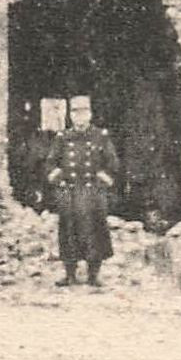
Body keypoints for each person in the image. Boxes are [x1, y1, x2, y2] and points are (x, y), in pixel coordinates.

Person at [46, 95, 119, 287]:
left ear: (90, 114)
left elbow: (113, 163)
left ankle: (93, 275)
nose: (80, 117)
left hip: (92, 192)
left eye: (84, 112)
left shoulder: (100, 136)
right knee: (68, 232)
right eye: (75, 113)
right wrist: (59, 181)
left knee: (94, 232)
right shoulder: (63, 137)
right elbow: (50, 163)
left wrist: (101, 182)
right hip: (69, 192)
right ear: (70, 116)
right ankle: (69, 275)